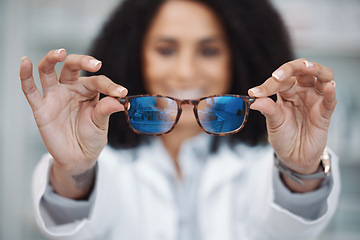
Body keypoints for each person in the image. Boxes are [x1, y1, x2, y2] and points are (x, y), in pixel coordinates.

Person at [20, 0, 340, 239]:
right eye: (166, 50)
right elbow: (70, 225)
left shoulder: (264, 162)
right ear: (135, 54)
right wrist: (75, 174)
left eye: (209, 51)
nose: (186, 71)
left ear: (239, 55)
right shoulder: (104, 161)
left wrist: (300, 171)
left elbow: (291, 227)